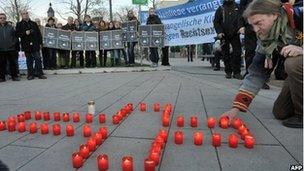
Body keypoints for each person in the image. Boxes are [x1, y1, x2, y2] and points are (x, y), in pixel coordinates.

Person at [222, 0, 303, 128]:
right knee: (280, 112)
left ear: (274, 15)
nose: (256, 30)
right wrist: (236, 108)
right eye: (252, 25)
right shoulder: (268, 38)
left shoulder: (299, 16)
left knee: (293, 63)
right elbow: (256, 73)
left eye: (258, 23)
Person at [240, 0, 270, 89]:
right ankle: (249, 76)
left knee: (265, 52)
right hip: (250, 26)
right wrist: (241, 25)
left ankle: (262, 78)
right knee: (250, 52)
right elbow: (242, 10)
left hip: (264, 24)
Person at [213, 0, 244, 79]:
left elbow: (242, 18)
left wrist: (241, 27)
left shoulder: (238, 7)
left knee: (237, 53)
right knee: (225, 54)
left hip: (235, 34)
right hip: (224, 35)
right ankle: (228, 72)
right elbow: (216, 22)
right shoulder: (220, 9)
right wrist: (219, 32)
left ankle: (237, 72)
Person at [16, 10, 46, 80]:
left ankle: (39, 74)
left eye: (26, 13)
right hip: (26, 46)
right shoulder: (19, 24)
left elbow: (39, 34)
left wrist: (40, 43)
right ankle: (30, 75)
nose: (25, 15)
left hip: (35, 44)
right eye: (24, 14)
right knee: (29, 60)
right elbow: (17, 34)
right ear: (21, 15)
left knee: (38, 59)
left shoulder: (33, 23)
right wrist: (25, 33)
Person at [0, 13, 20, 82]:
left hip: (10, 48)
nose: (2, 19)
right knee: (2, 64)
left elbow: (15, 37)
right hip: (1, 49)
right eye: (1, 18)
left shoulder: (10, 27)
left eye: (4, 18)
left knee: (12, 63)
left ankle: (14, 76)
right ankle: (2, 78)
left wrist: (13, 44)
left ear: (6, 19)